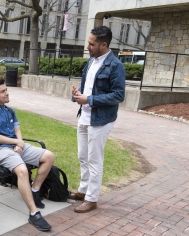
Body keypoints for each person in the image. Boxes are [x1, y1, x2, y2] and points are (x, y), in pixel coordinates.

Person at [0, 78, 55, 232]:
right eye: (3, 91)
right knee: (22, 170)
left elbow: (17, 130)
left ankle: (35, 190)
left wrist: (19, 143)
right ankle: (34, 213)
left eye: (6, 90)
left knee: (49, 156)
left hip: (14, 147)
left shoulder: (10, 110)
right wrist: (15, 142)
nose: (7, 93)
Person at [69, 25, 125, 213]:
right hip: (84, 116)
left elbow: (118, 95)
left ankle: (92, 199)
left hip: (101, 120)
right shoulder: (91, 62)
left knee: (94, 160)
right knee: (82, 156)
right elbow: (88, 89)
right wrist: (78, 95)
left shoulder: (115, 66)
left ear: (103, 44)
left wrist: (90, 99)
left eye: (91, 44)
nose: (88, 47)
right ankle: (83, 191)